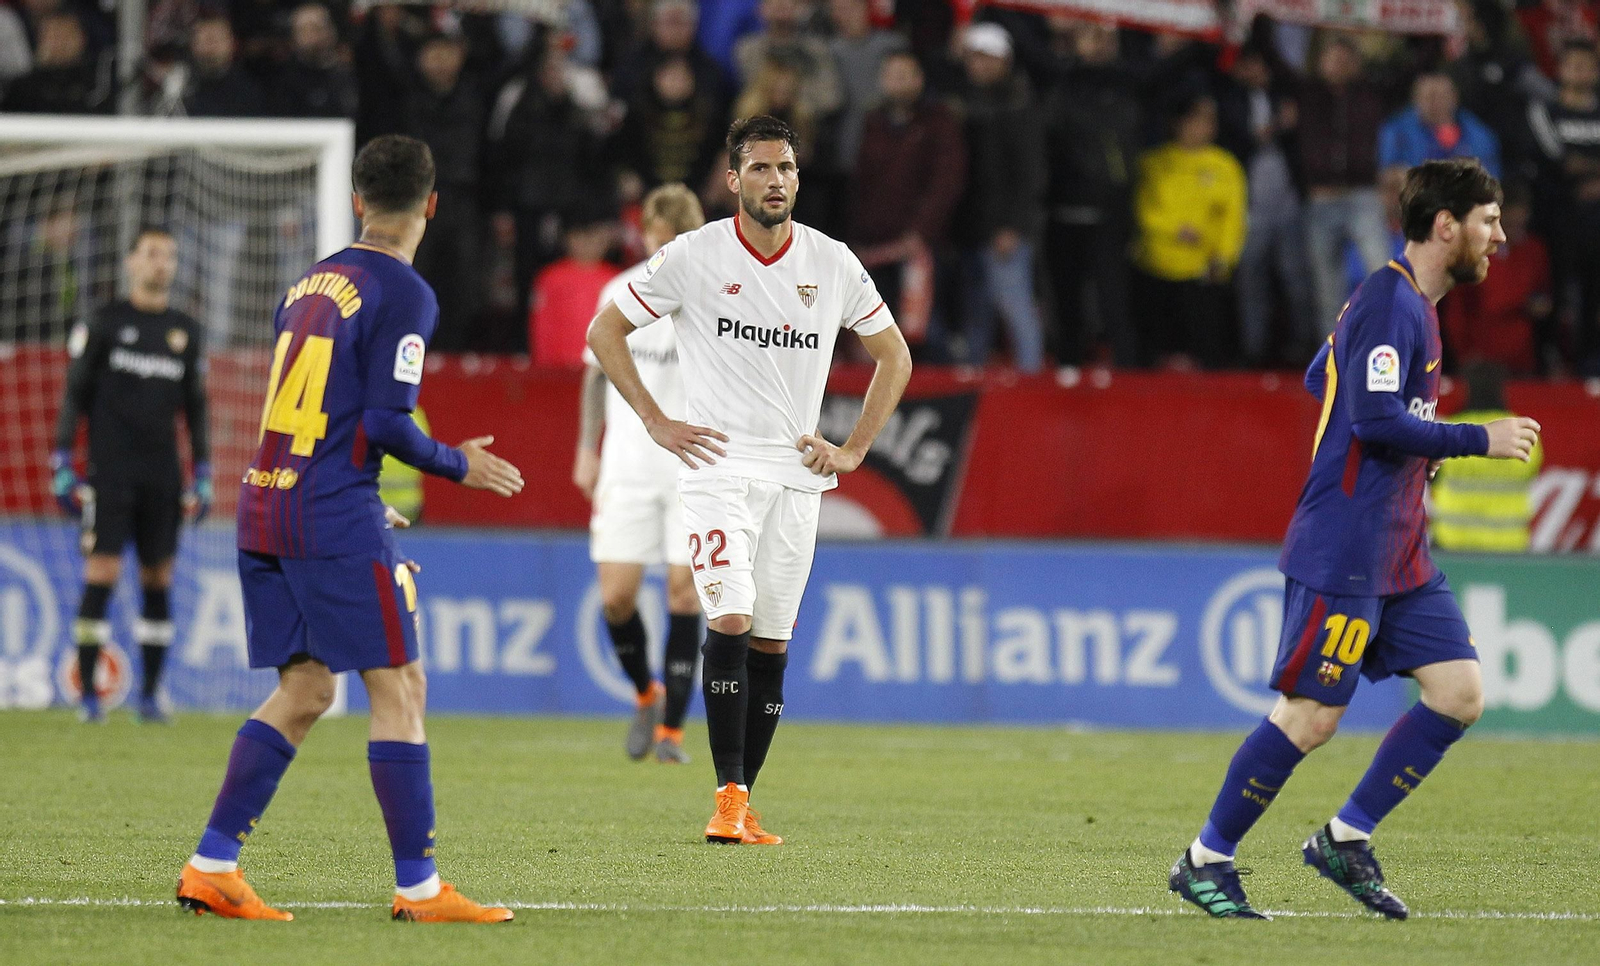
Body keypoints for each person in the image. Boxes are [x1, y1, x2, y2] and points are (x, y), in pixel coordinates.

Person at [1169, 158, 1541, 920]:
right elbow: (1370, 417)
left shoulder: (1412, 308)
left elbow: (1324, 378)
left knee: (1459, 693)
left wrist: (1401, 452)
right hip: (1345, 547)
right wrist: (1472, 438)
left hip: (1398, 548)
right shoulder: (1390, 303)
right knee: (1311, 718)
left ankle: (1345, 838)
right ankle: (1205, 859)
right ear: (1447, 226)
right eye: (1489, 220)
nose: (1499, 236)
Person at [176, 135, 525, 923]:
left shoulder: (310, 282)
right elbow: (383, 420)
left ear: (358, 201)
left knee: (305, 687)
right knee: (401, 685)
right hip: (328, 511)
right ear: (432, 205)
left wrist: (354, 491)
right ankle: (421, 889)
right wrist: (453, 463)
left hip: (268, 500)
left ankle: (212, 865)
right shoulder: (404, 292)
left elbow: (315, 416)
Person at [587, 116, 912, 845]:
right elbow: (604, 332)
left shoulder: (832, 263)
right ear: (733, 180)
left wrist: (855, 448)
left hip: (796, 479)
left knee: (771, 644)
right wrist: (655, 420)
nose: (776, 181)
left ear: (798, 178)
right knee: (729, 617)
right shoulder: (694, 255)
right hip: (716, 469)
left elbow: (896, 358)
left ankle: (742, 800)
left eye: (787, 169)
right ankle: (726, 798)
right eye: (761, 169)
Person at [51, 228, 208, 725]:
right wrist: (61, 462)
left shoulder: (184, 331)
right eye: (152, 254)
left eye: (169, 255)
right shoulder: (103, 322)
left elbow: (196, 407)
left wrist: (202, 471)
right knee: (102, 573)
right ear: (131, 261)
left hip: (162, 476)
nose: (161, 263)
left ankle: (150, 696)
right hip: (109, 474)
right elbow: (74, 395)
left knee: (158, 577)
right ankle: (90, 700)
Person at [573, 184, 707, 764]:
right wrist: (587, 447)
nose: (662, 248)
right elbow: (594, 374)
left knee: (684, 592)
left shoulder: (712, 297)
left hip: (691, 466)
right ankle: (646, 693)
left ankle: (673, 732)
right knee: (617, 599)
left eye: (673, 238)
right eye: (656, 237)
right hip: (627, 463)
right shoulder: (619, 290)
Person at [1132, 94, 1246, 369]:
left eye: (1208, 121)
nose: (1203, 127)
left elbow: (1233, 218)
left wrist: (1224, 258)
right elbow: (1142, 208)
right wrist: (1175, 230)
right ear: (1177, 123)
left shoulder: (1225, 165)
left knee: (1207, 354)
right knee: (1155, 357)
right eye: (1196, 120)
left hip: (1203, 270)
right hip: (1155, 267)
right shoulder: (1153, 162)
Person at [1431, 362, 1543, 551]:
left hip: (1453, 544)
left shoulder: (1450, 433)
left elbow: (1432, 478)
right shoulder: (1525, 432)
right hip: (1510, 546)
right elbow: (1531, 474)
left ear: (1467, 390)